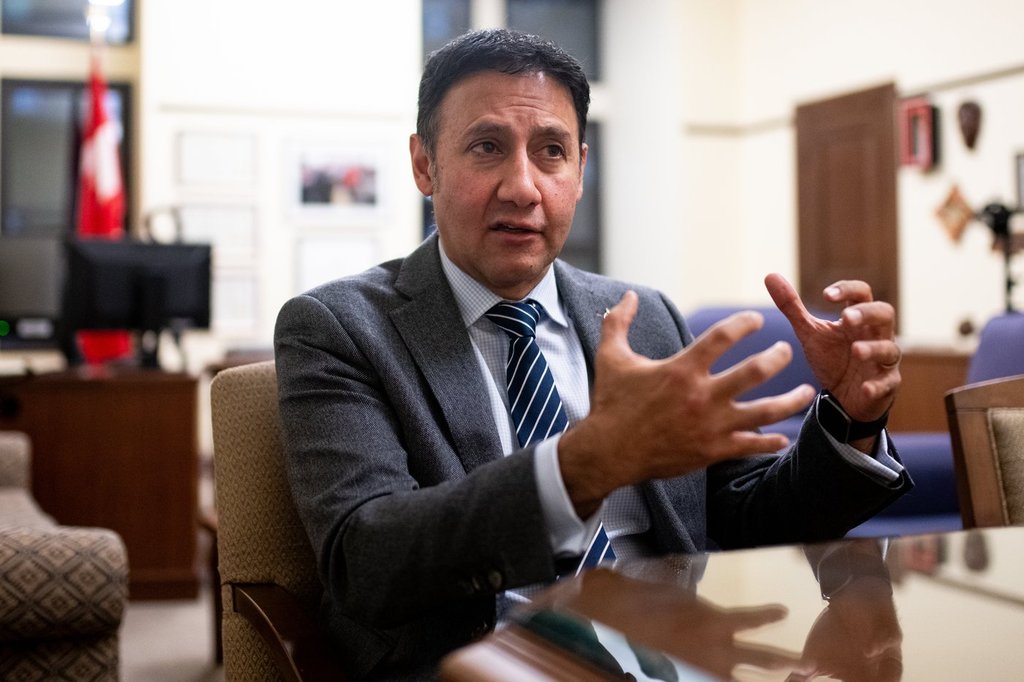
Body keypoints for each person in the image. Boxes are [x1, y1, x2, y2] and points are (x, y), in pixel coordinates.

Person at [274, 28, 912, 680]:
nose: (523, 187)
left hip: (671, 655)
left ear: (579, 171)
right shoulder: (338, 327)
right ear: (423, 164)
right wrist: (581, 465)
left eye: (550, 152)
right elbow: (368, 558)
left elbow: (742, 516)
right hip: (476, 663)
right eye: (487, 147)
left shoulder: (643, 317)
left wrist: (851, 421)